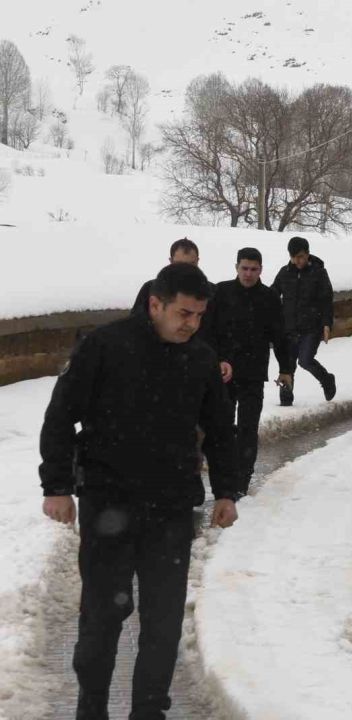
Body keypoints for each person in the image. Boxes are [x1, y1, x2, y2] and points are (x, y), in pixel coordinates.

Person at [39, 262, 241, 720]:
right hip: (108, 504)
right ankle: (91, 709)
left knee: (163, 626)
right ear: (155, 304)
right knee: (102, 620)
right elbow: (59, 416)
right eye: (184, 314)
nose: (192, 324)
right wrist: (57, 486)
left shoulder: (201, 359)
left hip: (170, 510)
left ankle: (149, 712)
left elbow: (218, 430)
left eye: (199, 316)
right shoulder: (104, 346)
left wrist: (226, 490)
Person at [212, 248, 294, 491]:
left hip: (253, 373)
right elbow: (209, 331)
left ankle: (242, 480)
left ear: (261, 270)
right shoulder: (221, 292)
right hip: (224, 373)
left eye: (253, 269)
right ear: (236, 267)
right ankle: (224, 475)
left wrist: (286, 368)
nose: (248, 274)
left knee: (248, 428)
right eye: (244, 268)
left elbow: (279, 335)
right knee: (222, 427)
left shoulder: (269, 298)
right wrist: (215, 360)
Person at [132, 238, 232, 384]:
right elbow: (136, 325)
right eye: (180, 264)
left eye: (191, 265)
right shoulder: (152, 289)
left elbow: (223, 329)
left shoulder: (211, 292)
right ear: (170, 261)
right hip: (158, 364)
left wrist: (224, 358)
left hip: (199, 365)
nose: (186, 271)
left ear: (198, 261)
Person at [271, 236, 336, 405]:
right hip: (289, 327)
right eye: (293, 257)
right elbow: (272, 294)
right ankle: (286, 398)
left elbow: (326, 300)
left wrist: (326, 324)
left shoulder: (319, 273)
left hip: (311, 327)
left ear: (307, 254)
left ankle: (327, 379)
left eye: (300, 256)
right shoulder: (284, 273)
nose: (297, 261)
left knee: (305, 360)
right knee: (287, 363)